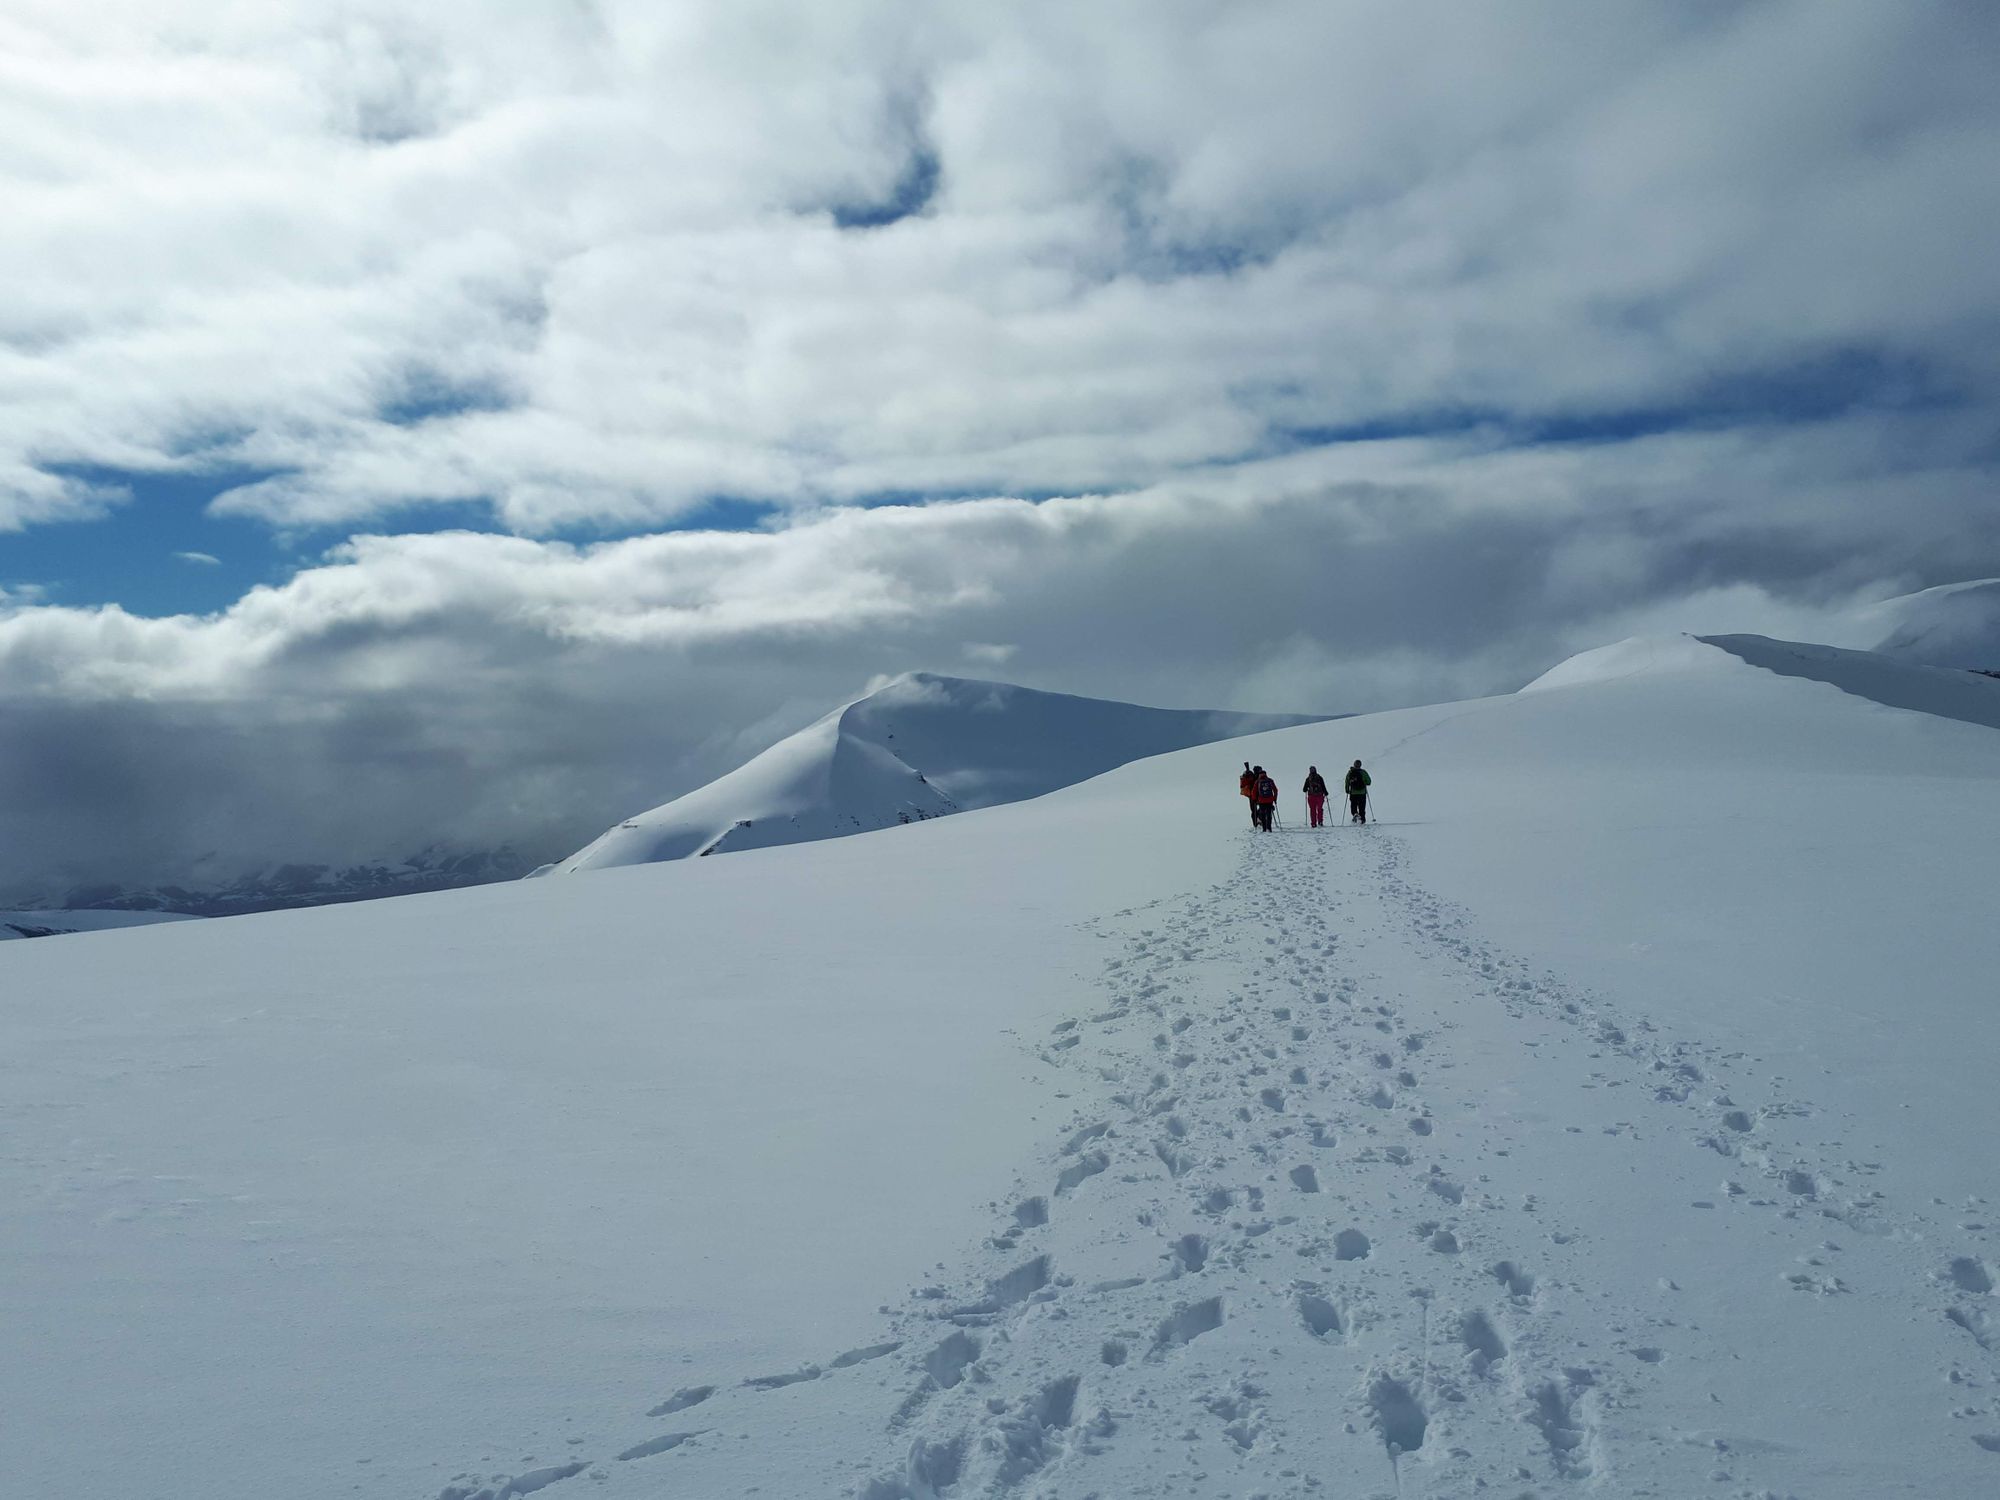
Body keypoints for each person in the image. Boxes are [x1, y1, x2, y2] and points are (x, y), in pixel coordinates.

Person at [1251, 765, 1278, 832]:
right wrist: (1274, 798)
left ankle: (1264, 828)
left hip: (1261, 800)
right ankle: (1269, 828)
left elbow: (1254, 791)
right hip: (1269, 800)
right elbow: (1275, 790)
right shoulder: (1270, 780)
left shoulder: (1257, 781)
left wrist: (1254, 799)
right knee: (1269, 814)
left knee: (1262, 814)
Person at [1344, 759, 1372, 823]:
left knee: (1353, 806)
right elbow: (1369, 782)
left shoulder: (1350, 772)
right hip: (1362, 793)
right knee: (1362, 807)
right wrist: (1364, 782)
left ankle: (1355, 814)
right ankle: (1362, 820)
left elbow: (1347, 781)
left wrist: (1347, 789)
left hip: (1353, 793)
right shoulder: (1363, 772)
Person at [1238, 761, 1257, 827]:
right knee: (1261, 808)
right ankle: (1260, 820)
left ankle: (1255, 823)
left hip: (1250, 795)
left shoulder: (1246, 775)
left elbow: (1242, 785)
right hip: (1257, 795)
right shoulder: (1255, 776)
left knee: (1253, 810)